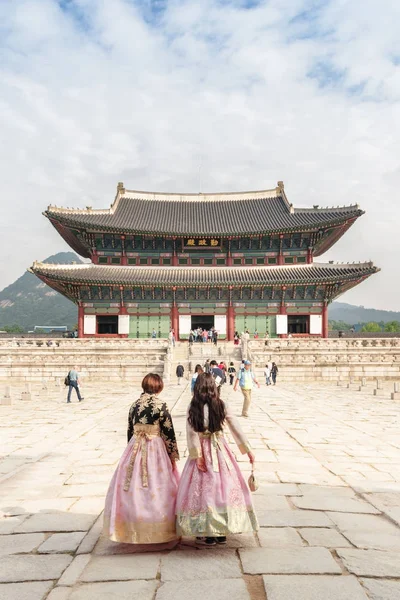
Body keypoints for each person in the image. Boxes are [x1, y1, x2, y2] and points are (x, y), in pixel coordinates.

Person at [176, 373, 258, 546]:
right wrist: (247, 449)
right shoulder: (221, 404)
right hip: (219, 449)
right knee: (223, 486)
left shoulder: (193, 406)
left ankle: (202, 528)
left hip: (201, 448)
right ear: (214, 387)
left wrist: (196, 455)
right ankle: (221, 531)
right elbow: (236, 427)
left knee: (201, 489)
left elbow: (191, 432)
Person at [104, 373, 179, 544]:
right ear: (158, 387)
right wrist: (172, 455)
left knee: (133, 485)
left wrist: (130, 452)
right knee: (157, 484)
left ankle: (131, 527)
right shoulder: (161, 405)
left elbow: (130, 431)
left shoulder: (134, 405)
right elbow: (168, 432)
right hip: (155, 447)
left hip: (135, 447)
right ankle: (158, 527)